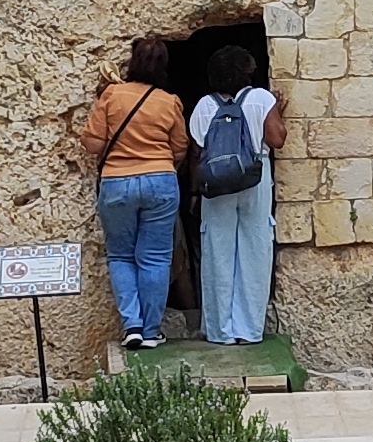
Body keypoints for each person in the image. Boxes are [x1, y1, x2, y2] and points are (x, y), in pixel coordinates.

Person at [70, 38, 189, 349]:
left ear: (132, 62)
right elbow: (179, 149)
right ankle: (151, 331)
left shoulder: (112, 94)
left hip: (117, 182)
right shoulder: (170, 101)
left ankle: (132, 326)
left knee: (122, 255)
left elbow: (92, 143)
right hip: (160, 181)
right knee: (155, 258)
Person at [187, 44, 286, 347]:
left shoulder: (204, 105)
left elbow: (196, 152)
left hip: (216, 185)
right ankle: (249, 329)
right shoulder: (260, 98)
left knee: (218, 252)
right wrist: (278, 113)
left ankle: (219, 330)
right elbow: (277, 139)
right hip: (254, 178)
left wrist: (194, 191)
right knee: (255, 249)